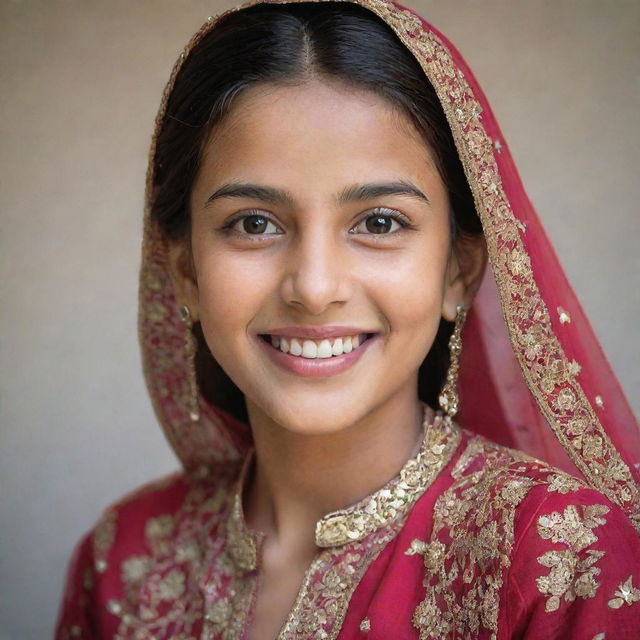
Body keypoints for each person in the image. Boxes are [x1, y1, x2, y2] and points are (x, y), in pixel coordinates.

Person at [55, 0, 640, 638]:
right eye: (254, 223)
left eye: (379, 223)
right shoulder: (127, 561)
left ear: (457, 272)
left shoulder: (561, 558)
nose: (314, 287)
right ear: (186, 272)